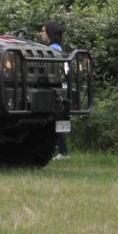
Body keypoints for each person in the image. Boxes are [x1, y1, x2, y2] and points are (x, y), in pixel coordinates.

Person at [40, 20, 70, 159]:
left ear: (49, 34)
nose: (41, 34)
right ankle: (62, 150)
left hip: (55, 88)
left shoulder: (52, 50)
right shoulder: (60, 49)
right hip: (63, 86)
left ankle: (63, 151)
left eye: (43, 31)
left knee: (58, 119)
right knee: (61, 118)